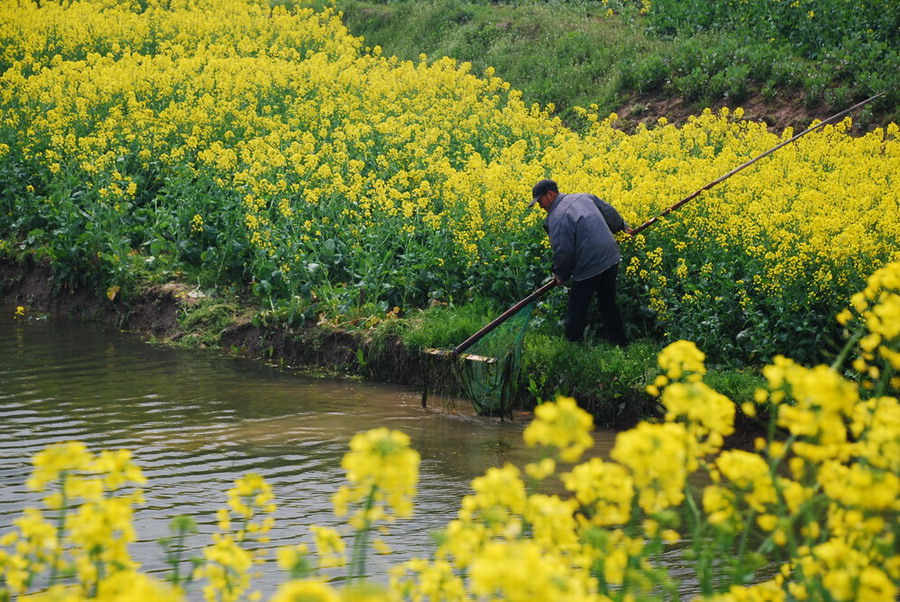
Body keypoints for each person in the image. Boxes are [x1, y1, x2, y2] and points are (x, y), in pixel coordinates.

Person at [529, 178, 632, 345]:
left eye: (540, 200)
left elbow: (564, 251)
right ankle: (621, 344)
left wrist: (561, 274)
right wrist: (621, 227)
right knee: (608, 304)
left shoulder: (556, 217)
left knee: (577, 310)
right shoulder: (583, 197)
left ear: (550, 194)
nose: (540, 206)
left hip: (589, 265)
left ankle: (572, 348)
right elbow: (609, 212)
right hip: (611, 256)